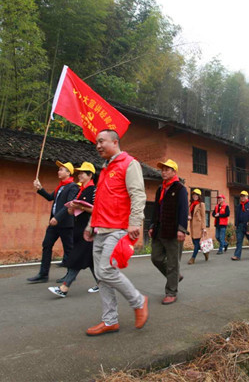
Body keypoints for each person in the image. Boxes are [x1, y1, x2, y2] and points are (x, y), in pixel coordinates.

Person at [83, 130, 148, 336]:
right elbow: (100, 201)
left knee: (106, 271)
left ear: (115, 141)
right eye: (96, 142)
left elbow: (138, 194)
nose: (98, 146)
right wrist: (90, 225)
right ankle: (110, 320)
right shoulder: (104, 169)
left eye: (101, 141)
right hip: (100, 229)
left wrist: (135, 222)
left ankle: (138, 301)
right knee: (101, 277)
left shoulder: (129, 164)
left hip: (118, 228)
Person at [47, 162, 99, 297]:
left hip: (89, 230)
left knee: (76, 258)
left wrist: (81, 207)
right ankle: (102, 284)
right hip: (78, 228)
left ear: (90, 175)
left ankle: (64, 288)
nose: (79, 175)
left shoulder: (94, 191)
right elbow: (74, 210)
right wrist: (71, 209)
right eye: (79, 173)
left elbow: (97, 210)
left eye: (82, 173)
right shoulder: (81, 190)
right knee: (90, 260)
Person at [28, 161, 79, 283]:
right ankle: (43, 274)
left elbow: (69, 204)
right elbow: (50, 197)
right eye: (59, 169)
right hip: (54, 223)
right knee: (46, 245)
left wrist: (57, 218)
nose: (58, 171)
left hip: (65, 224)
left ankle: (70, 275)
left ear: (68, 173)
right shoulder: (60, 186)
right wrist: (40, 188)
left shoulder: (73, 187)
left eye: (61, 169)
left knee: (69, 249)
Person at [148, 159, 188, 305]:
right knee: (156, 258)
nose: (163, 172)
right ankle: (175, 277)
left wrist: (181, 229)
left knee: (172, 263)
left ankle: (171, 292)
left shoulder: (180, 188)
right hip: (160, 229)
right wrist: (152, 225)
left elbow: (184, 210)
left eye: (167, 169)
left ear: (174, 172)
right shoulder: (161, 188)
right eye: (162, 170)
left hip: (173, 230)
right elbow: (156, 209)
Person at [231, 191, 249, 261]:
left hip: (248, 226)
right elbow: (237, 216)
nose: (242, 198)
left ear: (247, 197)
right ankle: (237, 255)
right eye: (241, 196)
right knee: (239, 240)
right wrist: (236, 225)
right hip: (240, 226)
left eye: (244, 196)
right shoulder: (239, 206)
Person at [188, 189, 208, 264]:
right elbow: (189, 214)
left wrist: (204, 228)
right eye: (193, 195)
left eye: (196, 195)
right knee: (195, 242)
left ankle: (193, 258)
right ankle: (205, 252)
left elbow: (203, 216)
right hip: (192, 226)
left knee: (196, 243)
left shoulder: (201, 204)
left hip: (199, 226)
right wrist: (188, 217)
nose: (195, 196)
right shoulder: (191, 204)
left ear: (199, 196)